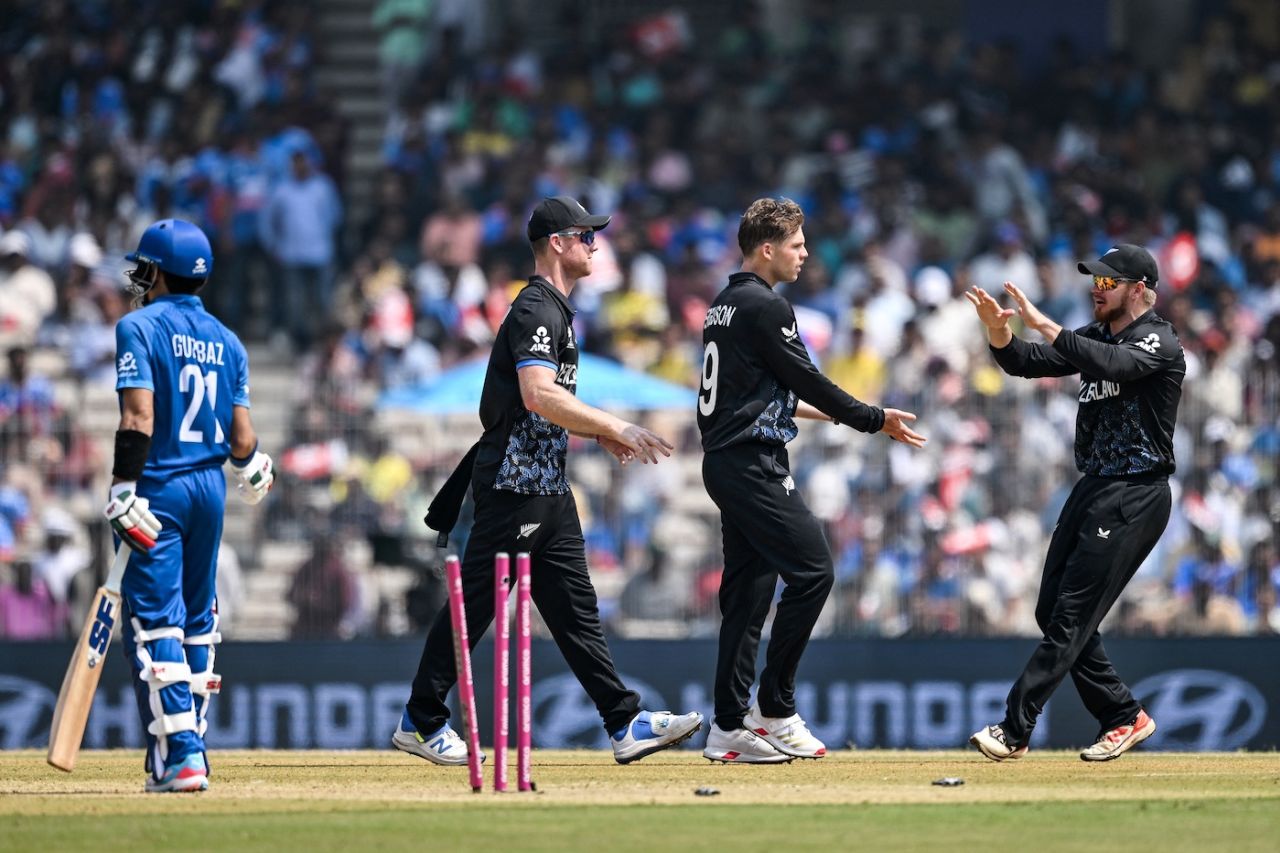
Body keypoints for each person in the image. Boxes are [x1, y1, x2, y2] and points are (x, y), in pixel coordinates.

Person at [395, 196, 703, 766]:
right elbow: (538, 393)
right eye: (586, 235)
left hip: (545, 482)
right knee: (478, 604)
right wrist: (616, 424)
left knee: (574, 608)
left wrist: (595, 434)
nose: (594, 244)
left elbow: (543, 403)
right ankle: (421, 719)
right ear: (557, 243)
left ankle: (623, 720)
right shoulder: (536, 307)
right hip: (514, 483)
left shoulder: (558, 310)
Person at [696, 198, 926, 764]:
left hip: (729, 460)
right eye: (797, 245)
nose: (806, 255)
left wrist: (850, 416)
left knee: (749, 595)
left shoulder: (723, 305)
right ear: (768, 249)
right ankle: (774, 710)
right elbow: (809, 380)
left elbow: (772, 394)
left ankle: (728, 726)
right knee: (814, 571)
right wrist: (874, 418)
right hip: (753, 462)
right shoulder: (767, 307)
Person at [965, 243, 1184, 762]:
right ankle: (1123, 716)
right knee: (1052, 610)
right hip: (1094, 486)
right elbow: (1024, 363)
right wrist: (1000, 330)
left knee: (1070, 615)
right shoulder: (1095, 336)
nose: (1096, 288)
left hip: (1136, 490)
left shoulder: (1160, 339)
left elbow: (1115, 364)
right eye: (1095, 280)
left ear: (1139, 289)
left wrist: (1045, 324)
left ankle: (1015, 728)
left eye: (1108, 282)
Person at [107, 218, 274, 792]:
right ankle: (192, 744)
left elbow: (138, 418)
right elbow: (243, 442)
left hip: (159, 488)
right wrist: (255, 465)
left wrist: (123, 486)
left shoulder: (138, 327)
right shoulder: (229, 341)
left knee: (156, 623)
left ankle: (181, 755)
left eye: (142, 267)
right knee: (199, 621)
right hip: (211, 493)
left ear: (154, 271)